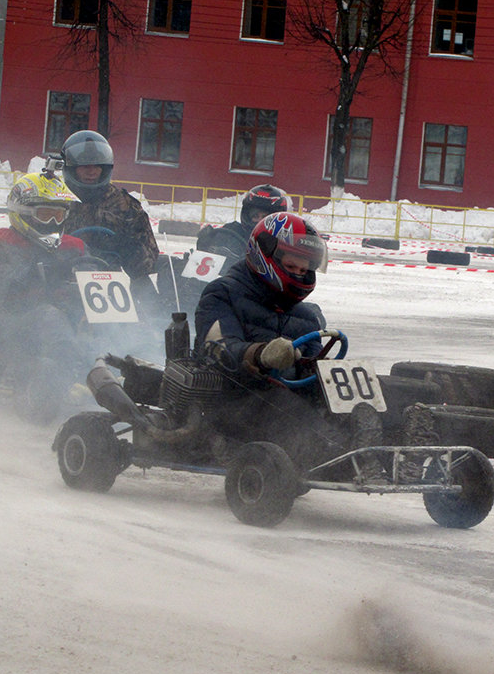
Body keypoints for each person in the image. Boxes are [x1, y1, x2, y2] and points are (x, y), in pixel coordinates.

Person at [194, 211, 382, 474]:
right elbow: (217, 349)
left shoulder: (306, 314)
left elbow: (312, 370)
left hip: (285, 395)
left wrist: (321, 372)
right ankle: (346, 458)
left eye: (305, 269)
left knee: (375, 393)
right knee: (293, 414)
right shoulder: (222, 294)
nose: (299, 274)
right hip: (234, 399)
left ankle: (385, 442)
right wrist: (260, 353)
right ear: (265, 256)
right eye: (292, 267)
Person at [0, 172, 88, 393]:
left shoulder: (75, 245)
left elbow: (96, 279)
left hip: (70, 312)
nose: (53, 222)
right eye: (45, 215)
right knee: (49, 316)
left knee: (113, 322)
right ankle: (67, 377)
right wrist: (37, 272)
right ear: (23, 213)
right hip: (13, 315)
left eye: (59, 216)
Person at [59, 129, 165, 319]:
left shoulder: (126, 206)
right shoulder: (55, 200)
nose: (91, 171)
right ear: (71, 168)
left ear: (105, 168)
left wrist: (128, 248)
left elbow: (149, 261)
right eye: (85, 166)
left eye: (97, 166)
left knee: (147, 319)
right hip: (62, 280)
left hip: (112, 285)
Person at [196, 184, 291, 258]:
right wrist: (206, 242)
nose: (259, 221)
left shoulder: (284, 243)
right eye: (255, 216)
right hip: (228, 280)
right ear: (246, 215)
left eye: (265, 217)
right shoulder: (230, 232)